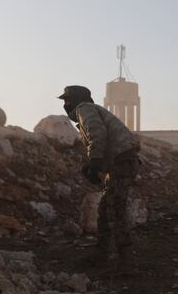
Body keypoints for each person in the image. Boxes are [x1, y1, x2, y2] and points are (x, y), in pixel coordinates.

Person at [58, 86, 140, 260]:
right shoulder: (90, 110)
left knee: (115, 210)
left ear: (78, 99)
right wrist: (94, 165)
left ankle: (126, 262)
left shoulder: (84, 108)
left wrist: (94, 162)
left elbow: (97, 134)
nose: (66, 104)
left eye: (68, 100)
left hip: (121, 162)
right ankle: (102, 254)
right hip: (120, 162)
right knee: (105, 210)